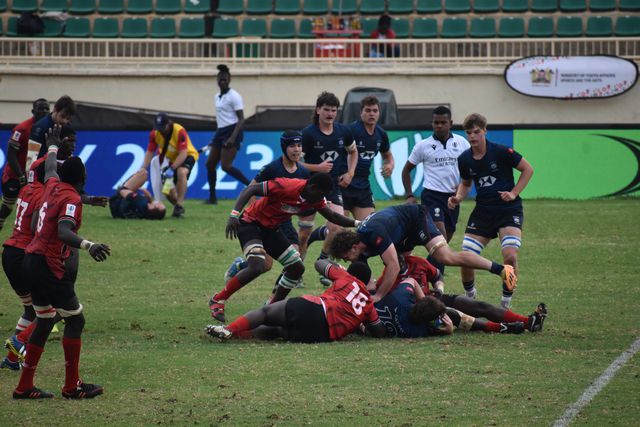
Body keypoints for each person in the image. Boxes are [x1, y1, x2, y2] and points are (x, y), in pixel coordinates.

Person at [13, 125, 111, 399]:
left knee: (44, 321)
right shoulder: (71, 199)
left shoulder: (52, 185)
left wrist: (53, 147)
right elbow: (64, 231)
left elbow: (50, 168)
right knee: (76, 321)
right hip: (48, 264)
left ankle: (24, 386)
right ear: (82, 178)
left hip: (30, 260)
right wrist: (90, 245)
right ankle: (72, 386)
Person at [208, 173, 360, 323]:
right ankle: (218, 299)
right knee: (257, 265)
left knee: (297, 268)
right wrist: (234, 215)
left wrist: (357, 223)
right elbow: (251, 189)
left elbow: (333, 216)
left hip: (271, 230)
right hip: (250, 223)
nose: (322, 199)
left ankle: (271, 308)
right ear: (312, 187)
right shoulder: (286, 185)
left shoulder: (314, 197)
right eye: (321, 195)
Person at [329, 204, 517, 303]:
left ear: (354, 247)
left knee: (445, 257)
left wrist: (377, 296)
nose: (347, 261)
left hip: (416, 219)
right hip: (399, 233)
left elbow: (393, 266)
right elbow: (366, 282)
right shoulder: (360, 249)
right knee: (401, 269)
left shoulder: (373, 233)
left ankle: (502, 270)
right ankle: (420, 297)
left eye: (346, 257)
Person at [448, 113, 534, 308]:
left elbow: (528, 169)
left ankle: (505, 303)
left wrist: (514, 192)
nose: (472, 136)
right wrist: (458, 197)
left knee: (510, 256)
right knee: (466, 257)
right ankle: (470, 297)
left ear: (485, 131)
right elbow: (466, 183)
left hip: (508, 210)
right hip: (483, 212)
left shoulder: (501, 152)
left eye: (476, 132)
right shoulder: (464, 159)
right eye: (469, 133)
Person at [206, 260, 386, 342]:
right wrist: (360, 325)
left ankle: (229, 330)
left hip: (316, 308)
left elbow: (319, 263)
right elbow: (378, 331)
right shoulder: (368, 305)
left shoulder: (346, 277)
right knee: (277, 331)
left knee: (266, 313)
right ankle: (235, 335)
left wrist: (340, 268)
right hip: (321, 335)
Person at [374, 254, 547, 338]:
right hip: (426, 312)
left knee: (479, 306)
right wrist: (447, 328)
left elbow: (437, 277)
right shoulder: (387, 279)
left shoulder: (417, 262)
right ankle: (503, 327)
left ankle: (528, 322)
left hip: (433, 300)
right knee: (457, 316)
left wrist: (438, 290)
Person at [222, 130, 310, 294]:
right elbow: (250, 189)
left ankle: (274, 298)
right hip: (265, 221)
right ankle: (240, 265)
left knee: (294, 259)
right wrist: (252, 215)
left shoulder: (304, 172)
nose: (297, 149)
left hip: (284, 222)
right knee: (265, 265)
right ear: (284, 147)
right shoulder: (271, 169)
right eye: (292, 146)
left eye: (299, 145)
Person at [306, 95, 394, 248]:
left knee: (370, 228)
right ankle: (325, 257)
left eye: (375, 111)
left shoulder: (381, 134)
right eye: (368, 110)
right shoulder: (351, 130)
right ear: (361, 112)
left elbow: (387, 155)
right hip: (343, 184)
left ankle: (322, 233)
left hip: (363, 186)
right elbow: (342, 151)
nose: (372, 114)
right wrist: (346, 174)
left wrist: (390, 165)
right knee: (338, 228)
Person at [401, 106, 470, 275]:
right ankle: (438, 278)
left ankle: (424, 269)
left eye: (443, 122)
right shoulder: (423, 146)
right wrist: (409, 195)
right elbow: (406, 170)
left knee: (446, 238)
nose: (439, 126)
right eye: (436, 122)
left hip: (453, 198)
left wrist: (462, 186)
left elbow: (471, 167)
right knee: (441, 236)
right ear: (432, 123)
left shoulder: (462, 143)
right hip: (432, 196)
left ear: (450, 123)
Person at [298, 91, 358, 283]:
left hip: (332, 188)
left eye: (333, 110)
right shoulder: (308, 134)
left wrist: (350, 173)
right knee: (304, 234)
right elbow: (296, 163)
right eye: (326, 109)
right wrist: (317, 168)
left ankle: (323, 261)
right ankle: (296, 271)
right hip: (309, 189)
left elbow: (353, 152)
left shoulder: (343, 132)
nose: (330, 113)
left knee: (337, 227)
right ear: (318, 110)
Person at [0, 98, 50, 231]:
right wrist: (21, 176)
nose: (44, 111)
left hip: (35, 176)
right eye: (40, 108)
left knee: (36, 207)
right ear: (33, 111)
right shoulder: (21, 129)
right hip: (15, 176)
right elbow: (11, 155)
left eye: (46, 109)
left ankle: (27, 234)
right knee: (7, 207)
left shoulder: (49, 129)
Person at [205, 64, 250, 204]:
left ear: (229, 80)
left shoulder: (234, 96)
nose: (222, 81)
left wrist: (232, 138)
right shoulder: (217, 97)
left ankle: (252, 187)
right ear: (217, 80)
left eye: (225, 79)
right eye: (220, 79)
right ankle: (212, 198)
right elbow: (221, 119)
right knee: (210, 164)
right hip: (221, 131)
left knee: (226, 166)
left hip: (233, 131)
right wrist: (216, 136)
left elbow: (241, 119)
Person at [140, 113, 199, 218]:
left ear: (168, 124)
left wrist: (172, 169)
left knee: (181, 172)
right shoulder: (154, 133)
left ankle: (179, 204)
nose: (160, 130)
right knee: (167, 191)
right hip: (170, 160)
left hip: (187, 156)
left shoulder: (179, 131)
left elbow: (183, 154)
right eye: (158, 128)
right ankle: (178, 207)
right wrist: (143, 167)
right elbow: (150, 152)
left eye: (163, 127)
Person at [29, 95, 76, 160]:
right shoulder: (39, 128)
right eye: (62, 116)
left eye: (68, 118)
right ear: (55, 110)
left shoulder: (68, 128)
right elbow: (31, 157)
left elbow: (70, 154)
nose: (64, 121)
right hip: (41, 164)